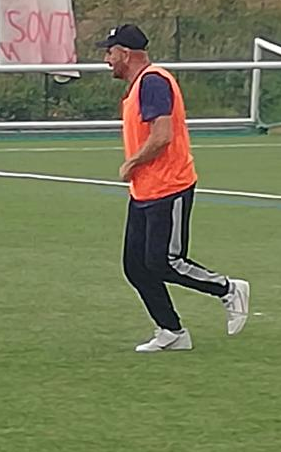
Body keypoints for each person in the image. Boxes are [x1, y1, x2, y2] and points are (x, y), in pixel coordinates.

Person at [100, 23, 248, 351]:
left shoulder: (153, 82)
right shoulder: (140, 85)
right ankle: (172, 331)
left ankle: (227, 289)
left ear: (125, 53)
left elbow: (163, 134)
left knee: (165, 261)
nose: (106, 60)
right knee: (136, 266)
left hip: (169, 186)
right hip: (145, 190)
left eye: (110, 53)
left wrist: (131, 163)